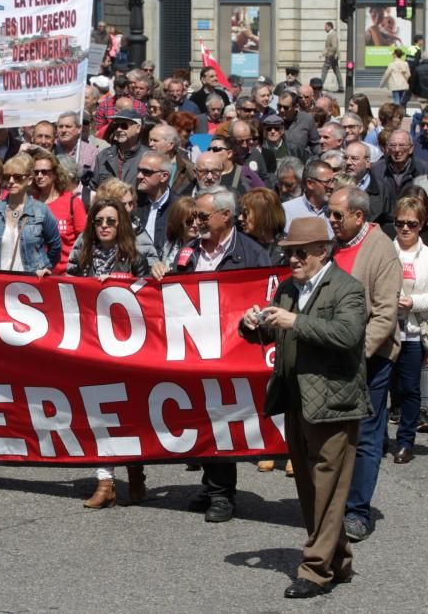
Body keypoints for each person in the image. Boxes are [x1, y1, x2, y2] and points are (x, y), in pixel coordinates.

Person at [240, 217, 369, 598]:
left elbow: (348, 334)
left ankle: (315, 570)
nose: (292, 258)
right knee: (311, 489)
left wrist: (297, 320)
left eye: (300, 252)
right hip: (297, 399)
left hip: (335, 401)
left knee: (328, 487)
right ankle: (339, 558)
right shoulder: (288, 287)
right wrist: (253, 324)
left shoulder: (347, 288)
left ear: (321, 251)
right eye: (288, 252)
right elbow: (273, 331)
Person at [171, 186, 271, 522]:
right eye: (194, 216)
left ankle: (222, 494)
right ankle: (211, 484)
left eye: (202, 216)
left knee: (223, 417)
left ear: (225, 216)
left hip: (232, 351)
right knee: (203, 417)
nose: (195, 222)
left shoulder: (253, 254)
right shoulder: (189, 251)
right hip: (194, 350)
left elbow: (265, 297)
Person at [324, 187, 402, 542]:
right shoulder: (334, 244)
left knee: (368, 436)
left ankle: (357, 512)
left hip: (368, 359)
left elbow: (385, 314)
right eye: (330, 213)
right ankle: (333, 504)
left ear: (359, 216)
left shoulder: (380, 249)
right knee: (334, 434)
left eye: (338, 215)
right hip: (332, 354)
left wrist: (357, 353)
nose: (332, 221)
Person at [65, 197, 150, 508]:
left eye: (111, 221)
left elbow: (149, 293)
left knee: (128, 413)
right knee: (100, 411)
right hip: (91, 344)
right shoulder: (83, 252)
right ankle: (105, 482)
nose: (104, 226)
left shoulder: (134, 255)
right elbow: (67, 286)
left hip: (127, 345)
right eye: (98, 220)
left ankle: (136, 471)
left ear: (121, 225)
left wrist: (117, 283)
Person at [389, 196, 428, 464]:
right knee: (382, 387)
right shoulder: (385, 250)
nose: (405, 229)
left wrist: (414, 301)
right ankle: (377, 438)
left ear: (421, 225)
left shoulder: (427, 256)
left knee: (410, 389)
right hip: (386, 329)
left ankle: (405, 441)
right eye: (400, 223)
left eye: (411, 224)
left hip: (413, 330)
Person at [0, 154, 61, 276]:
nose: (11, 181)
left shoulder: (41, 210)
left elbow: (55, 247)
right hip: (0, 281)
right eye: (7, 177)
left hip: (31, 283)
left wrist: (46, 268)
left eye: (18, 177)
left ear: (29, 180)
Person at [31, 150, 85, 274]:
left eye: (44, 172)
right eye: (36, 172)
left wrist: (74, 271)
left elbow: (84, 243)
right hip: (36, 276)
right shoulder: (29, 203)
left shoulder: (73, 202)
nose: (39, 176)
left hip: (66, 276)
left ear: (55, 174)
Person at [239, 187, 289, 266]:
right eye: (240, 213)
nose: (240, 218)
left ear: (263, 215)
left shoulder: (289, 247)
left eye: (246, 213)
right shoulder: (239, 244)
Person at [282, 160, 334, 235]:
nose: (332, 186)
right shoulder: (286, 210)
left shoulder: (337, 210)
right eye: (327, 182)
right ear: (310, 183)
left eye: (333, 181)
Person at [321, 22, 343, 92]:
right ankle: (341, 87)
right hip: (333, 56)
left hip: (331, 57)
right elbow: (329, 47)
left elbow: (334, 46)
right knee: (337, 71)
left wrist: (329, 54)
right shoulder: (330, 34)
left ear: (330, 27)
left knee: (324, 70)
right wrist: (322, 54)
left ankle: (319, 86)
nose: (324, 28)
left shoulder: (332, 34)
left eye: (326, 27)